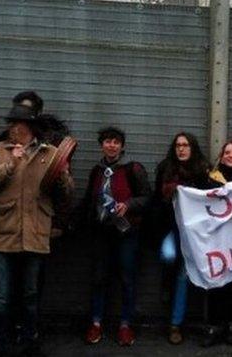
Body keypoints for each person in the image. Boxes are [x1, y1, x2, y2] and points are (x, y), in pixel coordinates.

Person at [0, 104, 74, 357]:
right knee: (0, 295)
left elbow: (66, 194)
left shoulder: (49, 153)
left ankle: (30, 340)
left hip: (36, 232)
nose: (11, 128)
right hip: (4, 232)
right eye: (10, 123)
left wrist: (63, 175)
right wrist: (10, 165)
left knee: (30, 293)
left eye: (16, 124)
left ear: (29, 127)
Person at [79, 126, 150, 347]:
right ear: (102, 144)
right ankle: (96, 323)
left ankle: (126, 325)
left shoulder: (133, 169)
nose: (111, 145)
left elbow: (147, 197)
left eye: (116, 142)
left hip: (126, 232)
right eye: (108, 141)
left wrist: (128, 204)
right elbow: (88, 200)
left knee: (127, 279)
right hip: (101, 232)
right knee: (99, 279)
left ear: (122, 146)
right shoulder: (97, 171)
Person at [152, 132, 210, 345]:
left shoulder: (202, 170)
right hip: (170, 227)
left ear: (192, 148)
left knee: (183, 277)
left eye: (185, 145)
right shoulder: (165, 169)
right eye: (178, 145)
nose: (181, 149)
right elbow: (156, 200)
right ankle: (166, 285)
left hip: (193, 233)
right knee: (168, 256)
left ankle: (175, 324)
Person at [201, 139, 232, 347]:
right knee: (216, 283)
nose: (231, 155)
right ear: (222, 156)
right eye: (227, 152)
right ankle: (214, 326)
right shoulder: (209, 179)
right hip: (217, 238)